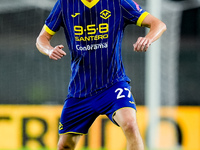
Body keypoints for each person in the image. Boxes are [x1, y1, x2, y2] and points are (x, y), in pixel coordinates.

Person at [36, 0, 166, 149]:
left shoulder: (118, 2)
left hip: (113, 84)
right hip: (80, 91)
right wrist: (49, 50)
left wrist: (147, 38)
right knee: (65, 146)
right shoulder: (65, 4)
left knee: (130, 123)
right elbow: (41, 38)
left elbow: (158, 24)